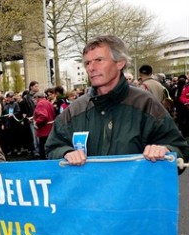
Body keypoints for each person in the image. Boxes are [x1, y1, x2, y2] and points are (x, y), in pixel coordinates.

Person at [45, 35, 189, 168]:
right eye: (87, 63)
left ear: (120, 62)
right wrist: (65, 153)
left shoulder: (146, 104)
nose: (91, 68)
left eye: (99, 60)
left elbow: (180, 150)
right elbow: (52, 148)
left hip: (134, 194)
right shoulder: (75, 109)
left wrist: (165, 150)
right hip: (90, 195)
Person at [33, 92, 56, 160]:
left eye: (35, 98)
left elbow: (43, 116)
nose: (34, 100)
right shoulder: (48, 102)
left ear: (38, 98)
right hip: (50, 128)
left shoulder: (40, 104)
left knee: (42, 148)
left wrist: (36, 122)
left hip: (44, 129)